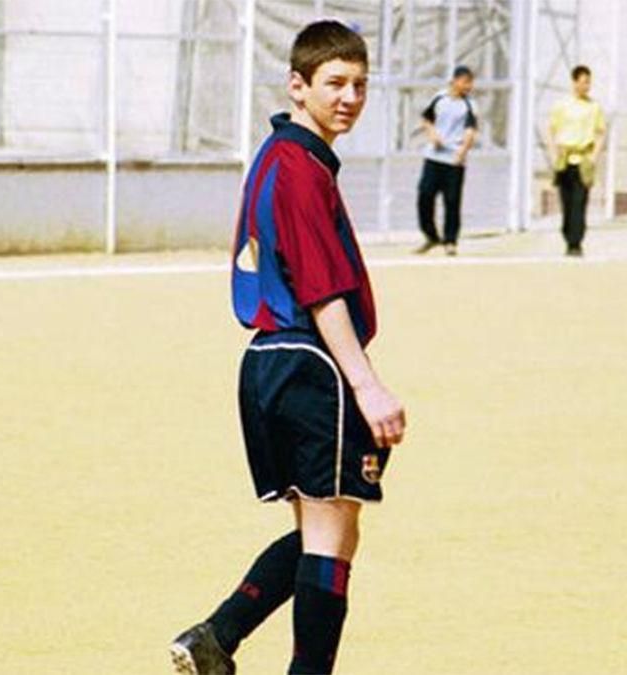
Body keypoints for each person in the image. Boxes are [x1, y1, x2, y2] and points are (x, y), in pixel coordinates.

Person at [170, 20, 406, 675]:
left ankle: (214, 637)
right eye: (335, 83)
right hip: (310, 363)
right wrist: (367, 383)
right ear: (297, 86)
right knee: (331, 537)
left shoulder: (279, 158)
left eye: (360, 84)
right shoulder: (299, 167)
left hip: (269, 360)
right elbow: (323, 288)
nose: (350, 96)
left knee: (325, 530)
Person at [414, 65, 478, 256]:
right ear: (455, 81)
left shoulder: (470, 105)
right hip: (433, 157)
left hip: (454, 160)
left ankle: (450, 240)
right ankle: (431, 235)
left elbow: (471, 130)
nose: (469, 86)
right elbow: (426, 119)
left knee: (452, 201)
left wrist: (463, 151)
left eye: (470, 82)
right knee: (425, 195)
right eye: (466, 82)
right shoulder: (439, 98)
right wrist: (432, 135)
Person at [547, 65, 606, 257]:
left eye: (588, 82)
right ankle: (567, 234)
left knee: (580, 202)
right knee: (567, 201)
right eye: (582, 82)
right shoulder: (562, 106)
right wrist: (554, 153)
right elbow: (552, 130)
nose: (586, 86)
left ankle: (576, 242)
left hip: (583, 158)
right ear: (574, 82)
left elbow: (600, 132)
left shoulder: (593, 107)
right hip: (565, 157)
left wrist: (594, 156)